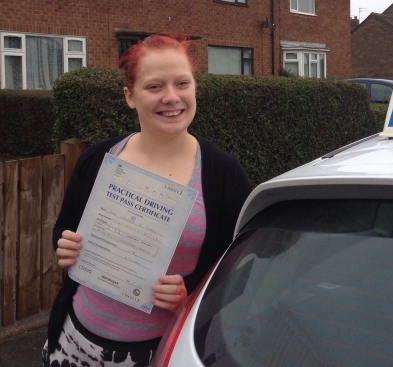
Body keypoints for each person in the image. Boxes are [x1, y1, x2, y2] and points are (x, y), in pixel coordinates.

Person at [42, 33, 253, 367]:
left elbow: (240, 266)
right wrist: (64, 246)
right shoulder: (98, 158)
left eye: (182, 83)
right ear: (130, 96)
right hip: (73, 340)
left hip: (158, 353)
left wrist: (191, 291)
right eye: (154, 87)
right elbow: (65, 227)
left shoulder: (222, 173)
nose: (171, 97)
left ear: (195, 88)